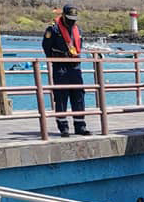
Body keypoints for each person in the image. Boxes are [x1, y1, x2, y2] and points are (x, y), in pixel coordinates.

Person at [42, 5, 90, 138]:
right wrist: (56, 59)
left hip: (74, 66)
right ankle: (63, 127)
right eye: (69, 19)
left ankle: (80, 125)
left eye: (74, 19)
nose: (72, 22)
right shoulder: (53, 29)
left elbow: (80, 45)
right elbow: (46, 46)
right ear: (63, 16)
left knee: (78, 95)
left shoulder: (77, 29)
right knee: (61, 96)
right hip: (61, 66)